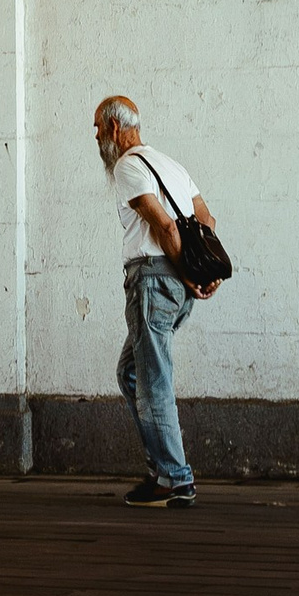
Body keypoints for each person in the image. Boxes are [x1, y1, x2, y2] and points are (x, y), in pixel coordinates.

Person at [94, 93, 221, 513]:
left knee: (154, 382)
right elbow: (207, 221)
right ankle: (162, 470)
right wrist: (199, 277)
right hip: (176, 289)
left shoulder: (129, 165)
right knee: (131, 372)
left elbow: (164, 224)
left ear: (115, 127)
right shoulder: (172, 165)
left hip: (153, 281)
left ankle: (175, 479)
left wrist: (184, 272)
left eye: (98, 127)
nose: (96, 136)